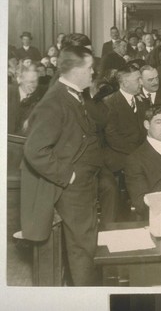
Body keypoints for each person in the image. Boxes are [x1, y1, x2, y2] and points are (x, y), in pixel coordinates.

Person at [21, 45, 101, 285]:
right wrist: (69, 176)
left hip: (84, 185)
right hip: (72, 189)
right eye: (89, 68)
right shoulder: (55, 101)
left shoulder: (73, 94)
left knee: (83, 246)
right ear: (75, 70)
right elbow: (35, 150)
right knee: (82, 248)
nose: (92, 73)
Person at [103, 65, 146, 174]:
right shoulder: (109, 103)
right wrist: (138, 153)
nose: (142, 83)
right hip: (120, 156)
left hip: (141, 153)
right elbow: (112, 136)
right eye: (138, 79)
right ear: (125, 83)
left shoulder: (143, 101)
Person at [8, 66, 44, 135]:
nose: (34, 85)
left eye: (36, 81)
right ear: (20, 79)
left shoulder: (40, 97)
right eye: (30, 82)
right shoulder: (7, 92)